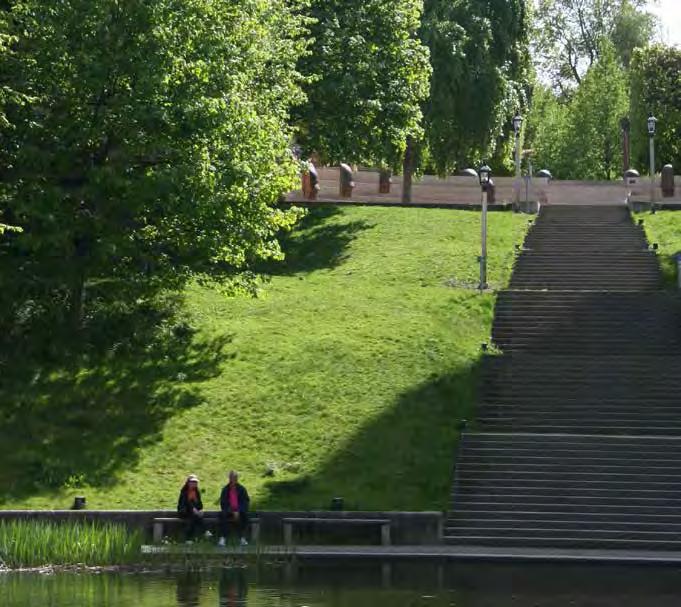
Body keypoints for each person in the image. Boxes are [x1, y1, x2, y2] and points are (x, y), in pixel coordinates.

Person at [218, 471, 250, 547]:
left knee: (243, 517)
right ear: (229, 478)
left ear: (237, 478)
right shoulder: (225, 489)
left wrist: (238, 510)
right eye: (232, 478)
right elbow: (223, 503)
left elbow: (245, 502)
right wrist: (232, 511)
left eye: (235, 478)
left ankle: (242, 538)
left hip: (240, 511)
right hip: (228, 511)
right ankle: (223, 538)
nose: (233, 479)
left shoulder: (242, 489)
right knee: (223, 516)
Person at [177, 474, 205, 542]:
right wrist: (193, 509)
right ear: (188, 483)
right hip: (184, 511)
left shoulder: (197, 492)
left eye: (195, 482)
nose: (194, 484)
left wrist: (201, 510)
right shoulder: (184, 491)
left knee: (195, 517)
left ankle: (189, 539)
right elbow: (185, 503)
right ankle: (203, 532)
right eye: (192, 482)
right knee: (193, 517)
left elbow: (200, 504)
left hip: (194, 512)